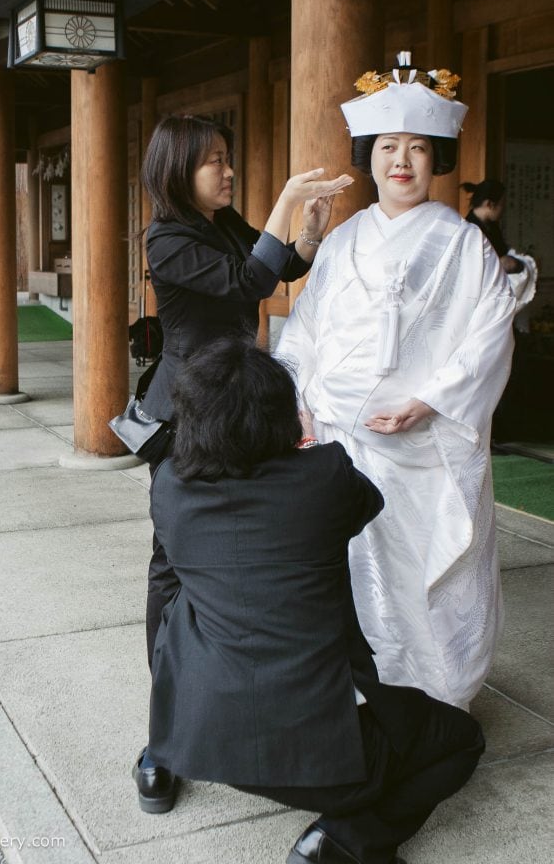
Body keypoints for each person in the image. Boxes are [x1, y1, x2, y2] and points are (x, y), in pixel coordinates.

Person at [145, 337, 485, 864]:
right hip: (323, 759)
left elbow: (165, 584)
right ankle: (347, 839)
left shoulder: (168, 487)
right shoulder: (323, 476)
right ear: (282, 415)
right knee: (461, 739)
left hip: (204, 740)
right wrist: (305, 442)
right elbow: (367, 502)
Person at [276, 52, 516, 711]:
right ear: (369, 154)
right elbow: (305, 326)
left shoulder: (464, 245)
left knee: (422, 564)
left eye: (415, 148)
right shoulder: (347, 236)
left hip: (421, 442)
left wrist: (426, 401)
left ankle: (437, 694)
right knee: (350, 563)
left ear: (434, 157)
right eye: (387, 147)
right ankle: (357, 691)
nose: (400, 161)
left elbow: (488, 332)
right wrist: (296, 400)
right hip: (340, 434)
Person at [137, 113, 353, 666]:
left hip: (236, 396)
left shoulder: (221, 221)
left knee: (242, 526)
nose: (228, 171)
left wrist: (309, 229)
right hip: (189, 404)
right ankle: (165, 675)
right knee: (173, 549)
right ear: (178, 168)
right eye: (215, 161)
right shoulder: (165, 237)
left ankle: (223, 663)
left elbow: (277, 268)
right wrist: (284, 199)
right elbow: (248, 281)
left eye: (227, 159)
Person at [461, 178, 537, 312]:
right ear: (490, 204)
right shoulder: (469, 230)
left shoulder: (492, 227)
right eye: (501, 205)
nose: (503, 209)